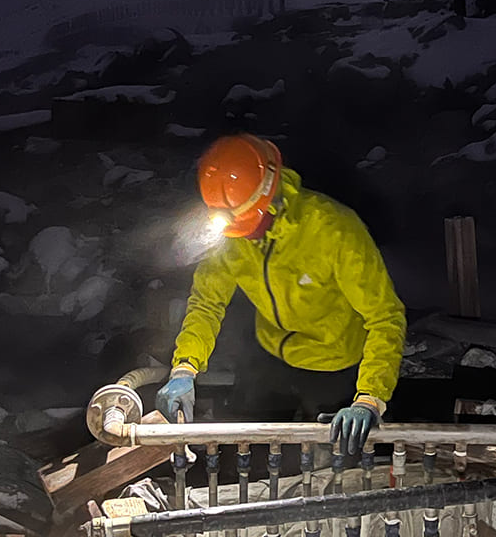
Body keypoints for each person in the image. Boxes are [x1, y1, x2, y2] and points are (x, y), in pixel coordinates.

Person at [156, 133, 406, 454]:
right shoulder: (230, 234)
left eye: (250, 224)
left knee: (340, 461)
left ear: (269, 196)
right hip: (270, 354)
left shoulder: (334, 229)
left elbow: (385, 317)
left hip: (333, 364)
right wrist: (184, 368)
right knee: (248, 451)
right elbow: (207, 302)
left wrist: (370, 397)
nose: (244, 237)